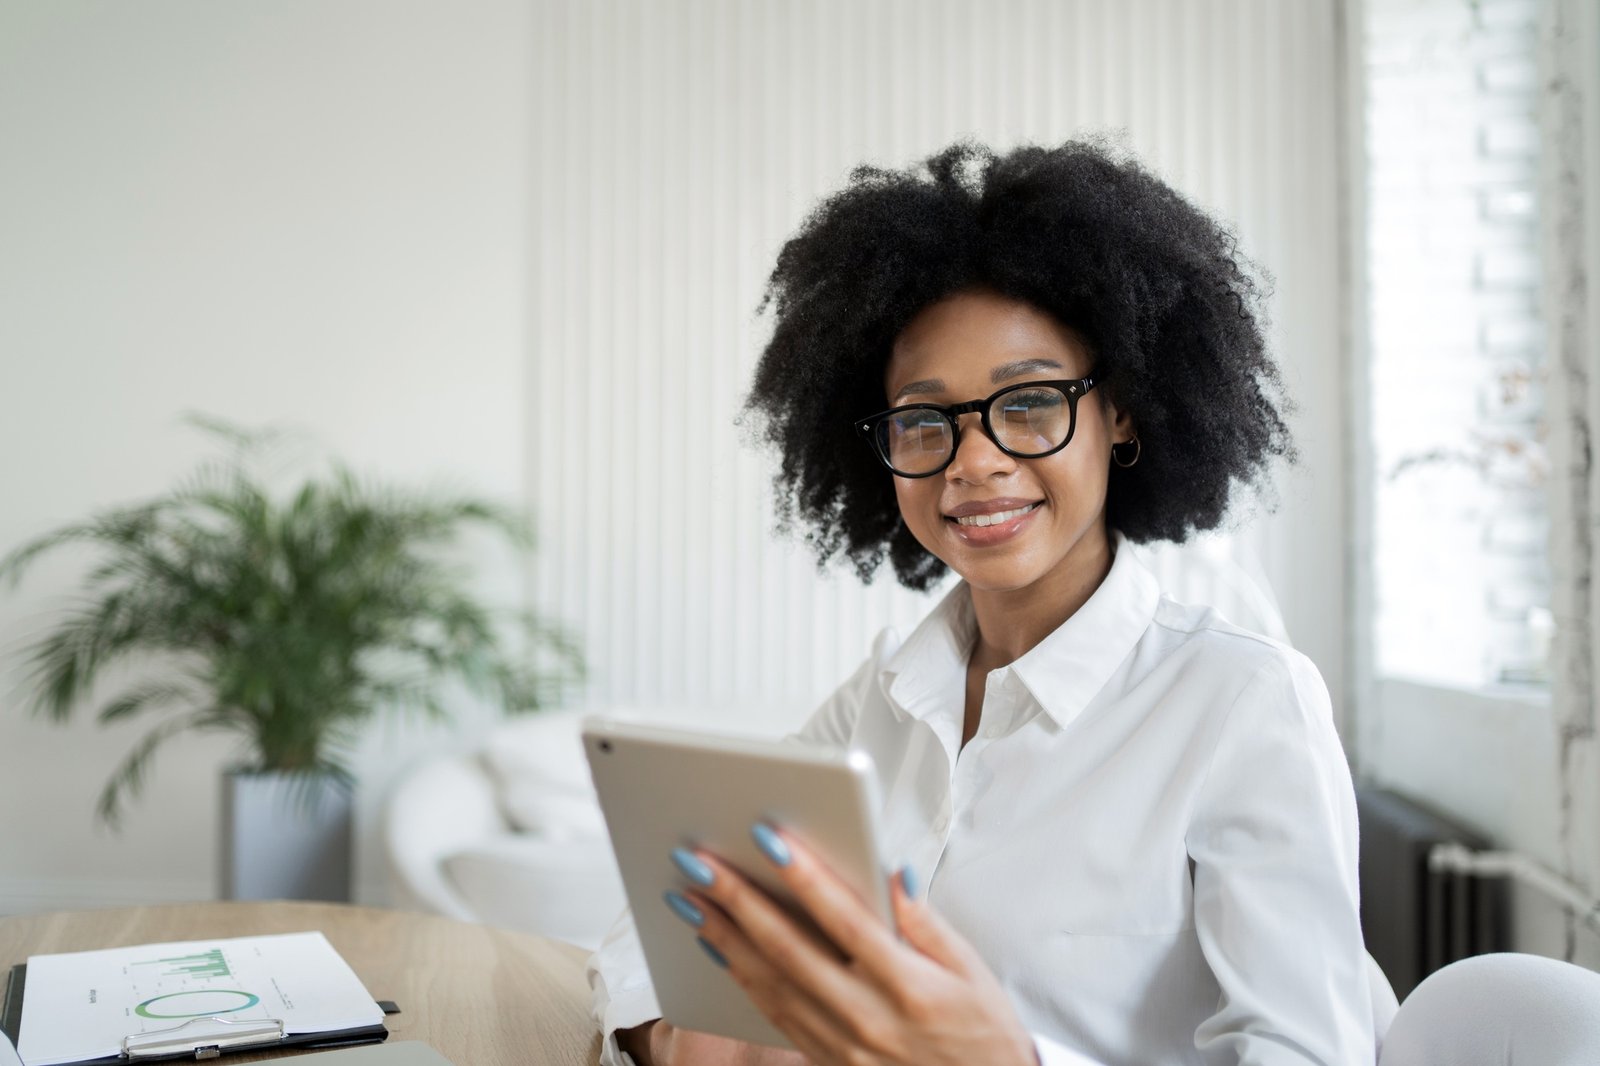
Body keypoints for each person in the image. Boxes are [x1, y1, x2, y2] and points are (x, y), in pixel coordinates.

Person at [587, 139, 1375, 1065]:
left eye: (1031, 403)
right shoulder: (885, 694)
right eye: (925, 420)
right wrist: (673, 1036)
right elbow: (654, 931)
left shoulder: (1242, 703)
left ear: (1120, 410)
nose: (973, 462)